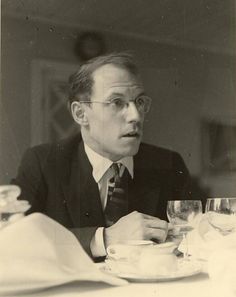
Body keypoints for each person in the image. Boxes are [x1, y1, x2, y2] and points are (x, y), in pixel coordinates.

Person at [12, 52, 191, 260]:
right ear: (80, 114)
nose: (135, 116)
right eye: (116, 102)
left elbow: (197, 237)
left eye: (139, 101)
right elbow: (14, 239)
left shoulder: (168, 163)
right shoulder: (42, 162)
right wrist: (104, 239)